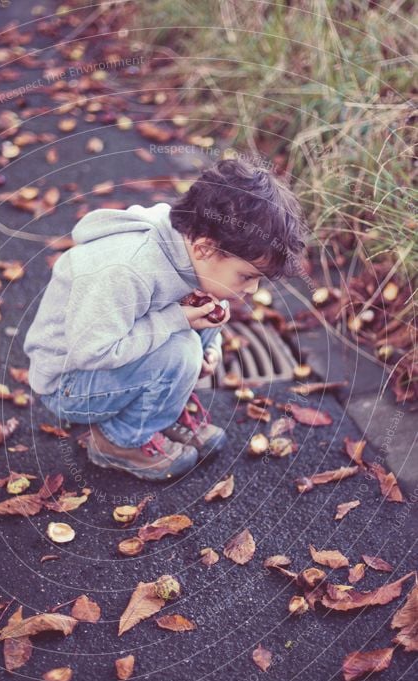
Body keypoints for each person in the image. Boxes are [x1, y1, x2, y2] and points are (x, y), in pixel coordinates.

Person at [23, 158, 307, 481]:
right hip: (70, 381)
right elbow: (92, 351)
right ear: (204, 249)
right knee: (181, 349)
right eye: (246, 276)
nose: (253, 289)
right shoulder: (127, 271)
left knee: (194, 328)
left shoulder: (190, 245)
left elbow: (184, 316)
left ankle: (161, 410)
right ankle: (119, 440)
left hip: (113, 354)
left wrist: (208, 347)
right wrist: (178, 322)